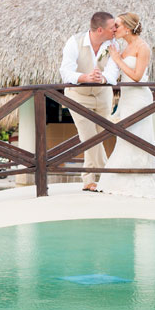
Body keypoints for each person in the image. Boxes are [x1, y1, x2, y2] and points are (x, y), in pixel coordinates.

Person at [96, 12, 155, 199]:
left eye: (117, 26)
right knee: (125, 137)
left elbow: (137, 76)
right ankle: (122, 178)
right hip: (126, 98)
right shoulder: (124, 47)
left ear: (127, 28)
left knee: (139, 136)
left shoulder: (142, 47)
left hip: (139, 98)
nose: (114, 29)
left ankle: (141, 175)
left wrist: (118, 59)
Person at [59, 12, 120, 192]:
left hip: (103, 95)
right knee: (88, 137)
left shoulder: (113, 44)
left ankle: (103, 175)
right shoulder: (74, 42)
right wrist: (85, 77)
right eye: (112, 27)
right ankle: (94, 178)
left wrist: (102, 78)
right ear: (100, 29)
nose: (115, 30)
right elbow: (65, 72)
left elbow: (113, 71)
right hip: (78, 95)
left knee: (100, 135)